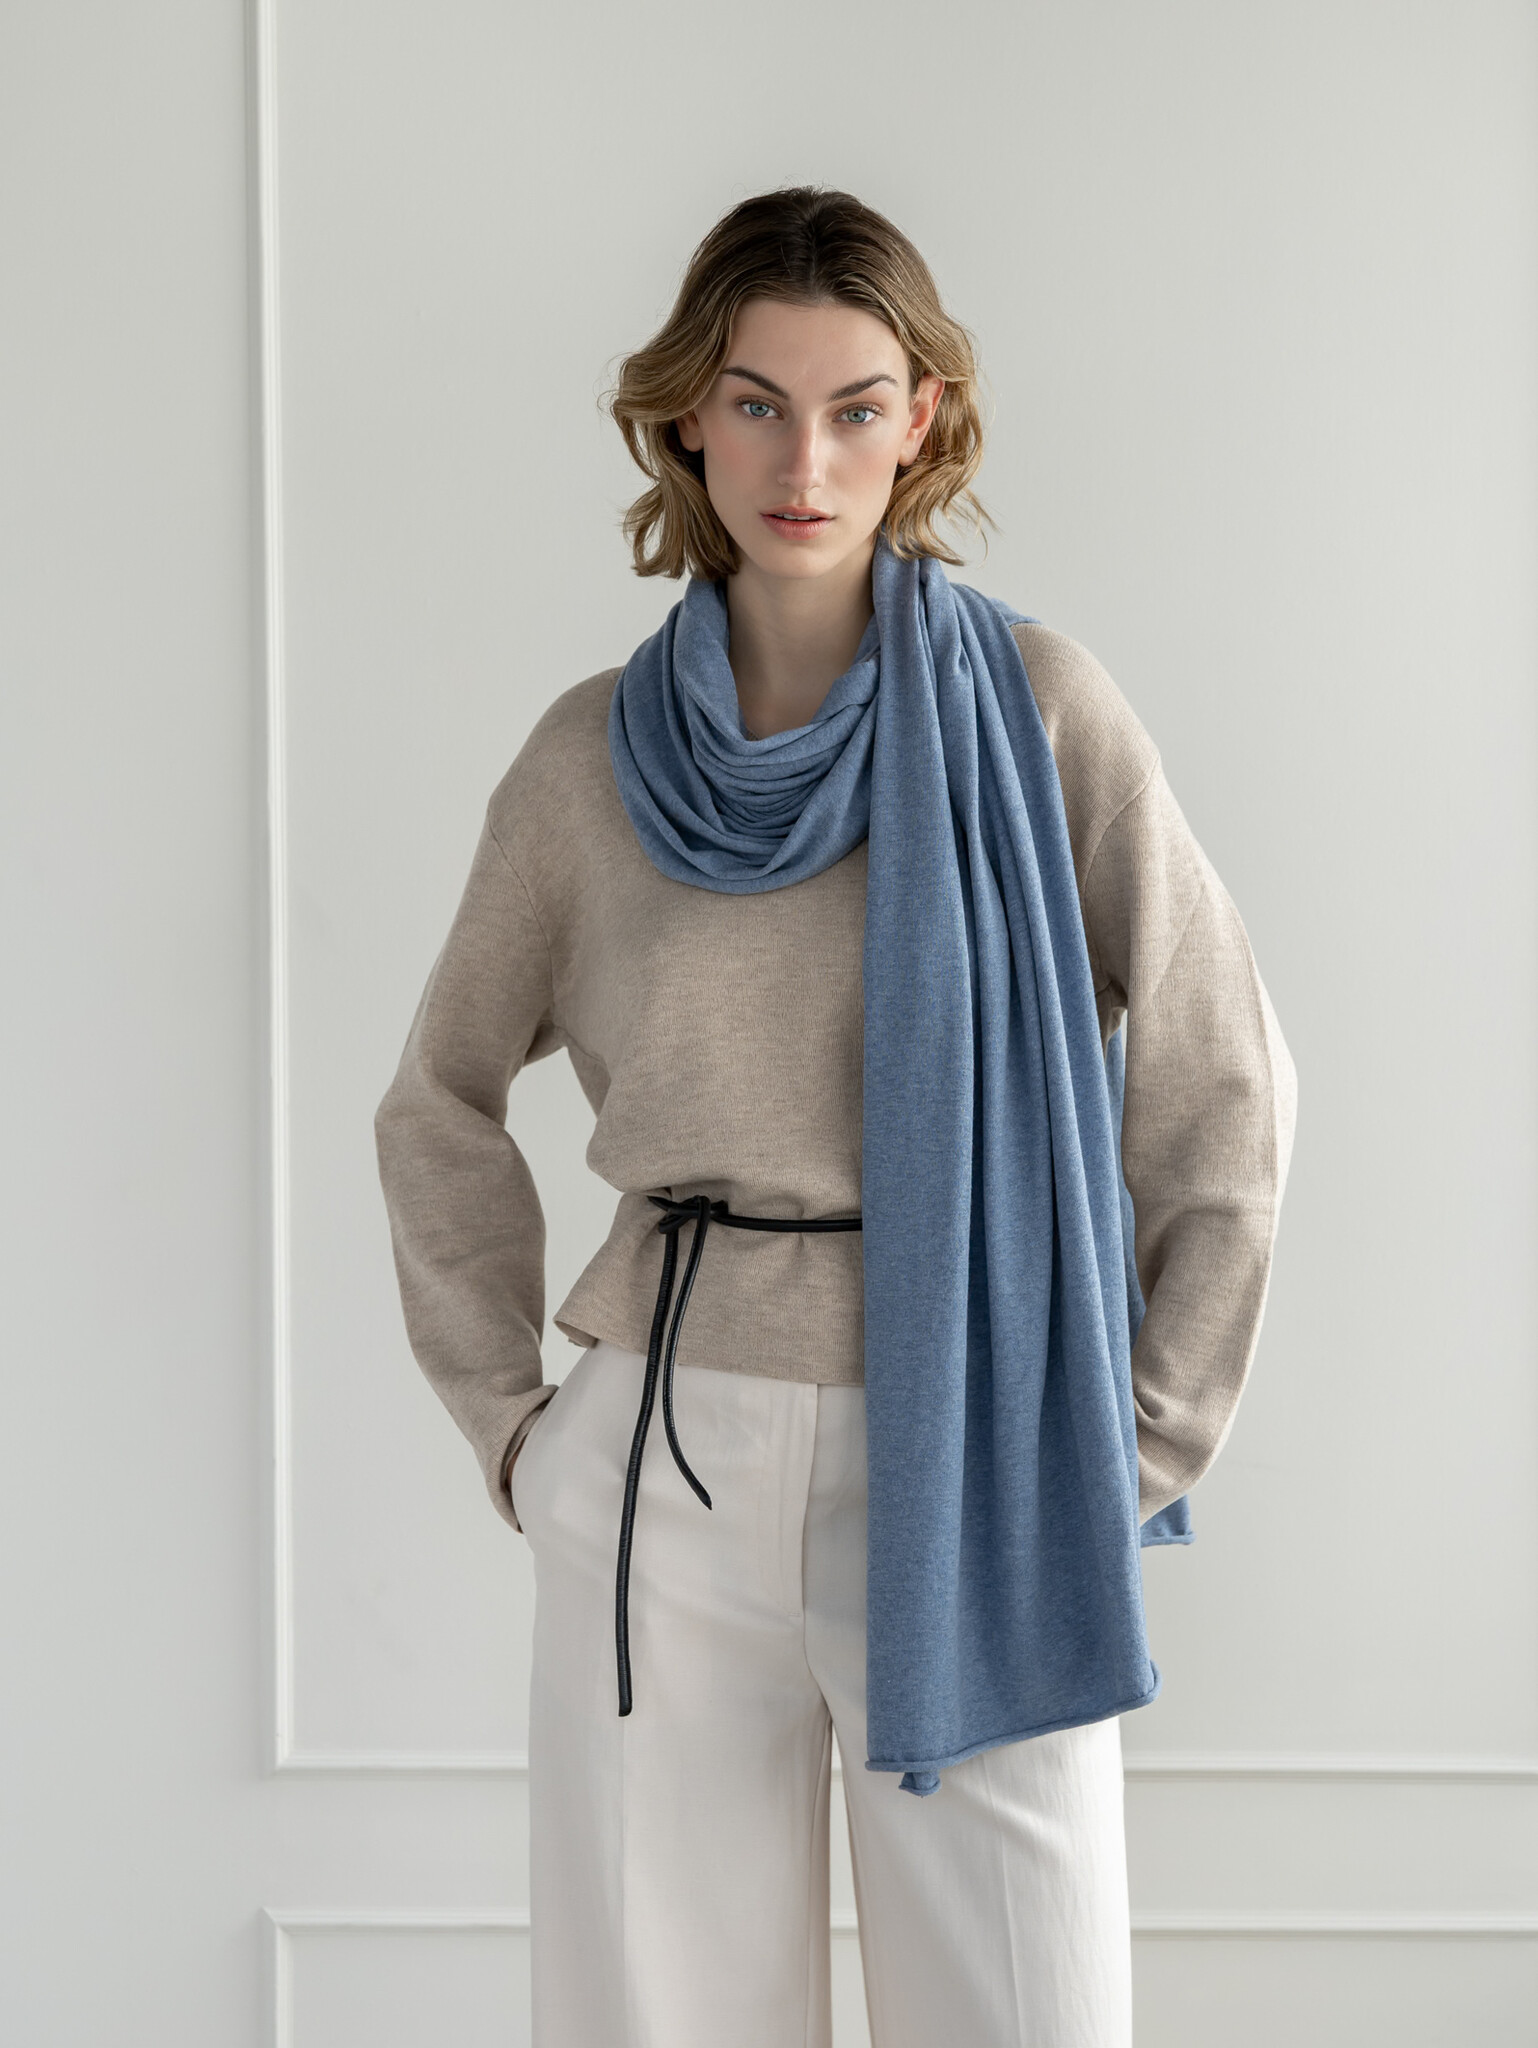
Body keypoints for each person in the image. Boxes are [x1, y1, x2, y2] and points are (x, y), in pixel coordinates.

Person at [374, 185, 1297, 2048]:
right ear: (685, 420)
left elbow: (1224, 1080)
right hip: (660, 1454)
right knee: (659, 2016)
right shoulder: (581, 762)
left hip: (978, 1433)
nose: (804, 463)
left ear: (923, 417)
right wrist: (517, 1435)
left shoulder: (1039, 715)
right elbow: (437, 1104)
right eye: (756, 403)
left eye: (855, 406)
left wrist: (1137, 1439)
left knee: (1023, 2008)